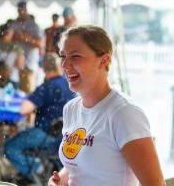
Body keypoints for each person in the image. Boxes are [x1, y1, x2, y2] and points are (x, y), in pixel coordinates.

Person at [48, 25, 165, 186]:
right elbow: (82, 166)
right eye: (63, 56)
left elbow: (155, 183)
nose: (65, 65)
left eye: (75, 56)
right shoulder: (71, 109)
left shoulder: (124, 113)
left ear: (104, 60)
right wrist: (59, 180)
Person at [4, 53, 75, 181]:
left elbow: (24, 109)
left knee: (9, 147)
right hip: (68, 137)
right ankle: (39, 168)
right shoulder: (70, 83)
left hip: (46, 135)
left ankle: (37, 168)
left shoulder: (47, 87)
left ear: (43, 69)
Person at [11, 0, 45, 93]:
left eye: (22, 9)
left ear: (26, 9)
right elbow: (8, 40)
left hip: (29, 64)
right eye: (19, 9)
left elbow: (41, 44)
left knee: (28, 93)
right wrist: (14, 38)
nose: (20, 11)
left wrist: (26, 38)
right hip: (15, 64)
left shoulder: (34, 25)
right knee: (15, 93)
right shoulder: (14, 24)